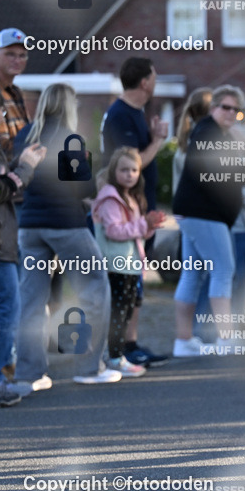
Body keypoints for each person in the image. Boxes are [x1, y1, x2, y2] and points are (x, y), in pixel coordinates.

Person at [12, 83, 120, 394]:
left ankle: (29, 374)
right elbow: (83, 190)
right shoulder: (69, 138)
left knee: (31, 301)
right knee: (95, 289)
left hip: (29, 227)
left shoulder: (25, 135)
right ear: (69, 106)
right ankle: (89, 367)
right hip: (66, 225)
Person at [100, 57, 169, 366]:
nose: (155, 82)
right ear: (144, 82)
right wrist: (157, 141)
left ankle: (131, 344)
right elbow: (128, 163)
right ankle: (123, 347)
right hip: (126, 214)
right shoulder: (119, 115)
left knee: (136, 282)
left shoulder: (136, 113)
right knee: (126, 284)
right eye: (154, 77)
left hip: (141, 210)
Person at [171, 86, 245, 357]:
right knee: (223, 271)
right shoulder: (208, 133)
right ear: (214, 107)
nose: (231, 113)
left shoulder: (210, 132)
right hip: (203, 215)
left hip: (195, 214)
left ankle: (184, 341)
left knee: (192, 275)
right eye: (226, 107)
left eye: (236, 110)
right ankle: (226, 339)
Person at [92, 147, 168, 376]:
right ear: (114, 171)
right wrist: (143, 225)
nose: (130, 174)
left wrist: (149, 227)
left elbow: (136, 233)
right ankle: (114, 358)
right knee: (118, 313)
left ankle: (117, 355)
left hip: (130, 265)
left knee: (125, 314)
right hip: (116, 266)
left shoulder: (131, 198)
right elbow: (114, 231)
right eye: (124, 169)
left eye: (134, 170)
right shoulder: (110, 198)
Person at [0, 88, 45, 406]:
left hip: (4, 242)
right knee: (1, 315)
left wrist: (21, 163)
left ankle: (0, 377)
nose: (2, 118)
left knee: (9, 311)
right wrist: (24, 167)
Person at [0, 28, 31, 158]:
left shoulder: (16, 92)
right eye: (10, 54)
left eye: (22, 55)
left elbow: (25, 136)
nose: (17, 60)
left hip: (18, 171)